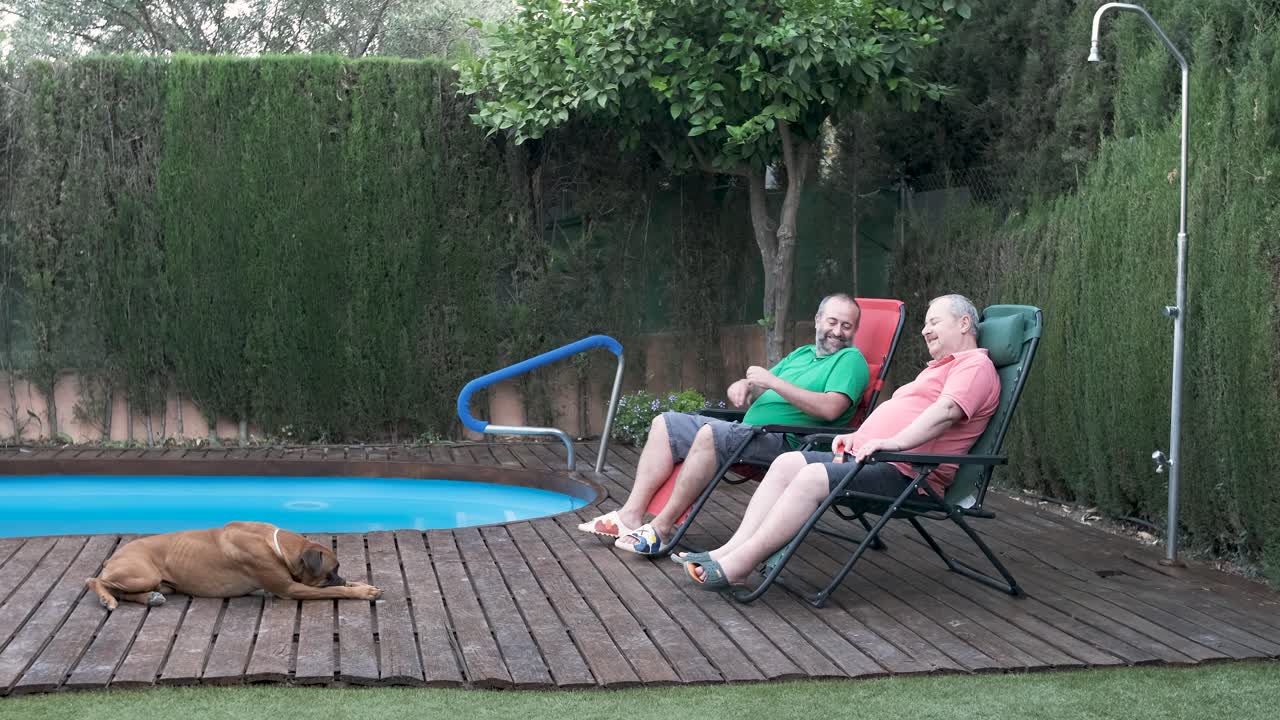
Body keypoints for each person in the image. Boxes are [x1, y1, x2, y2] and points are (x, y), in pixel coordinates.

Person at [681, 294, 1000, 589]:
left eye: (934, 322)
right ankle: (729, 550)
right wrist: (857, 437)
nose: (925, 330)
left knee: (810, 477)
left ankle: (739, 565)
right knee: (786, 462)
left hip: (908, 474)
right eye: (925, 324)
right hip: (873, 458)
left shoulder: (974, 366)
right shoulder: (939, 370)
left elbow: (946, 412)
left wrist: (894, 443)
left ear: (964, 323)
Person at [577, 293, 870, 556]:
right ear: (818, 320)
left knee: (711, 434)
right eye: (833, 322)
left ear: (855, 330)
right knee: (665, 423)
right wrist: (744, 385)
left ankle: (661, 530)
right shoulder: (802, 354)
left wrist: (773, 382)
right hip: (751, 432)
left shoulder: (850, 360)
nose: (838, 331)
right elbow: (761, 385)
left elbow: (831, 409)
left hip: (788, 443)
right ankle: (630, 515)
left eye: (847, 326)